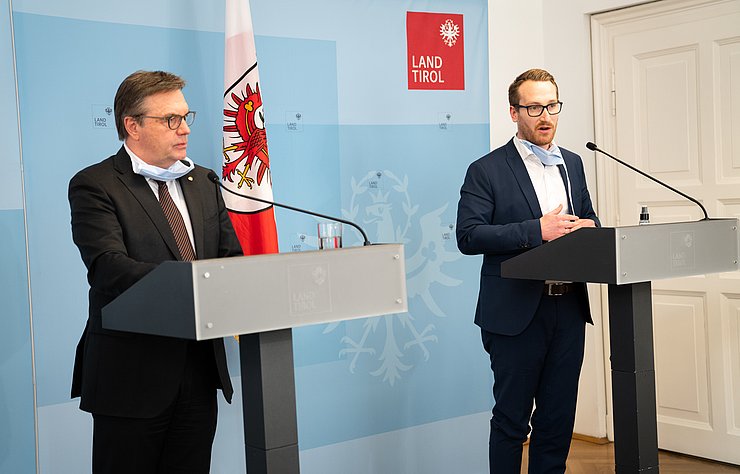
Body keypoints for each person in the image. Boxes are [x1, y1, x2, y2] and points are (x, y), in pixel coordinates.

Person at [69, 70, 243, 474]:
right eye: (170, 120)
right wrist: (193, 284)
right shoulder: (95, 185)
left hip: (199, 371)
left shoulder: (202, 181)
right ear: (132, 125)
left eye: (185, 117)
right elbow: (108, 268)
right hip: (132, 377)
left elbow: (229, 257)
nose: (183, 129)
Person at [456, 68, 599, 473]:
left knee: (556, 420)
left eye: (551, 105)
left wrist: (592, 227)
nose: (545, 116)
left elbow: (587, 218)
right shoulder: (486, 170)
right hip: (516, 314)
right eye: (534, 107)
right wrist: (537, 229)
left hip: (569, 308)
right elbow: (469, 236)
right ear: (513, 112)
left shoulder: (571, 163)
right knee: (511, 421)